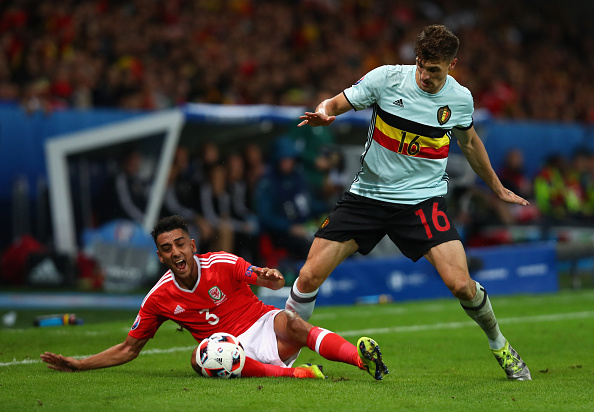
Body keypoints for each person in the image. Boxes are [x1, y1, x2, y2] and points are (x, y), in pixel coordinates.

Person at [286, 24, 531, 381]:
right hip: (367, 197)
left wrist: (496, 186)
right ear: (416, 59)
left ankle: (499, 344)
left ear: (452, 65)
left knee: (461, 285)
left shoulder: (459, 99)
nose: (425, 76)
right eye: (421, 66)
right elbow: (334, 103)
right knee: (308, 277)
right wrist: (324, 112)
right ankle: (283, 357)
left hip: (421, 202)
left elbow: (470, 143)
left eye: (434, 70)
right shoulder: (386, 79)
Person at [40, 215, 388, 380]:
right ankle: (294, 375)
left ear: (192, 245)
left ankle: (362, 360)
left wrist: (268, 276)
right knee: (198, 357)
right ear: (160, 257)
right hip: (228, 351)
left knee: (292, 322)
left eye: (180, 244)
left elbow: (260, 276)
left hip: (264, 328)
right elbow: (128, 349)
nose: (176, 252)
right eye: (167, 248)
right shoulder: (158, 297)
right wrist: (80, 364)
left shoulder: (221, 262)